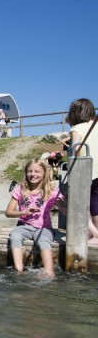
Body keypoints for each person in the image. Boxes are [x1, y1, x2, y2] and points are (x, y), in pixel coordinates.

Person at [4, 158, 64, 279]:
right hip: (24, 226)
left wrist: (63, 201)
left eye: (37, 171)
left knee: (43, 241)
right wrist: (24, 212)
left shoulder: (52, 191)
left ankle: (49, 271)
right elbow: (8, 212)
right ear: (26, 173)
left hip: (44, 228)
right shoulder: (20, 189)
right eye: (30, 171)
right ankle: (19, 269)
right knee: (15, 234)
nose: (33, 174)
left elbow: (64, 210)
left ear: (44, 173)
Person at [66, 98, 98, 243]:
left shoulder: (77, 128)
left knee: (86, 204)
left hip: (87, 170)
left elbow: (76, 148)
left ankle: (94, 235)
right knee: (96, 203)